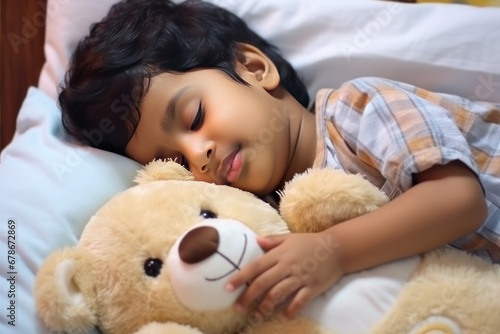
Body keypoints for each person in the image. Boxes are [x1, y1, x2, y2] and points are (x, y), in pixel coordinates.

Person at [59, 0, 499, 322]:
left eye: (195, 117)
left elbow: (458, 199)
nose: (199, 157)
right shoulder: (266, 217)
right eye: (175, 159)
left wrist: (335, 253)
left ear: (253, 68)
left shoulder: (358, 110)